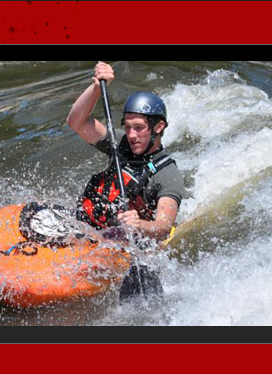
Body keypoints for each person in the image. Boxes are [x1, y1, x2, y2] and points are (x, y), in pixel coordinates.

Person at [66, 62, 184, 300]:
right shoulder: (120, 146)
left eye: (139, 128)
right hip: (95, 229)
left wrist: (140, 224)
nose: (131, 135)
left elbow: (162, 227)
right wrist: (96, 89)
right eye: (128, 127)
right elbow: (76, 122)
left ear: (158, 127)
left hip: (130, 246)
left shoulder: (168, 174)